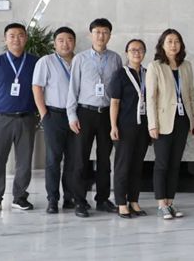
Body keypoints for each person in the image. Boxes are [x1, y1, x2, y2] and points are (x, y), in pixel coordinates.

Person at [66, 18, 123, 217]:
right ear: (91, 34)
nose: (101, 36)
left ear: (110, 35)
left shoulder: (115, 59)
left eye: (105, 32)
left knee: (105, 160)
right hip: (85, 113)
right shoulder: (80, 59)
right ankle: (80, 201)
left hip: (107, 114)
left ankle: (102, 199)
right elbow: (73, 88)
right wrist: (71, 115)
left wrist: (117, 119)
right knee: (80, 159)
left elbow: (118, 91)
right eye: (97, 32)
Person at [0, 23, 39, 212]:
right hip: (1, 118)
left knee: (24, 160)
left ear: (26, 38)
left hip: (26, 117)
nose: (16, 39)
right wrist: (0, 102)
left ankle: (20, 196)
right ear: (5, 39)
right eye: (12, 35)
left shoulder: (35, 62)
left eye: (20, 35)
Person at [146, 29, 194, 220]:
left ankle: (170, 202)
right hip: (163, 121)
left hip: (182, 120)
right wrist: (152, 124)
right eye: (169, 41)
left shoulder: (186, 66)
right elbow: (150, 98)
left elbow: (191, 93)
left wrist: (193, 119)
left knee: (175, 164)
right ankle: (161, 204)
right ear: (162, 44)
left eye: (177, 41)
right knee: (162, 163)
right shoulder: (155, 66)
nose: (173, 45)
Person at [32, 26, 77, 214]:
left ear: (74, 42)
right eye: (61, 40)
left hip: (75, 116)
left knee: (73, 159)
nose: (65, 44)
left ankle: (70, 197)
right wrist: (44, 114)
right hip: (54, 115)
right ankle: (52, 199)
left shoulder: (79, 61)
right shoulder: (46, 61)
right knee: (53, 159)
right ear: (54, 43)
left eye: (69, 40)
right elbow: (37, 87)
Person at [108, 39, 151, 219]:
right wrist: (113, 126)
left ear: (144, 53)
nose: (136, 52)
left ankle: (134, 200)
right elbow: (114, 102)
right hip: (125, 126)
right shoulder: (120, 74)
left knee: (137, 166)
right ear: (126, 53)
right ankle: (121, 203)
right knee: (123, 165)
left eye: (140, 50)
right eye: (133, 49)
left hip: (143, 127)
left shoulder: (148, 74)